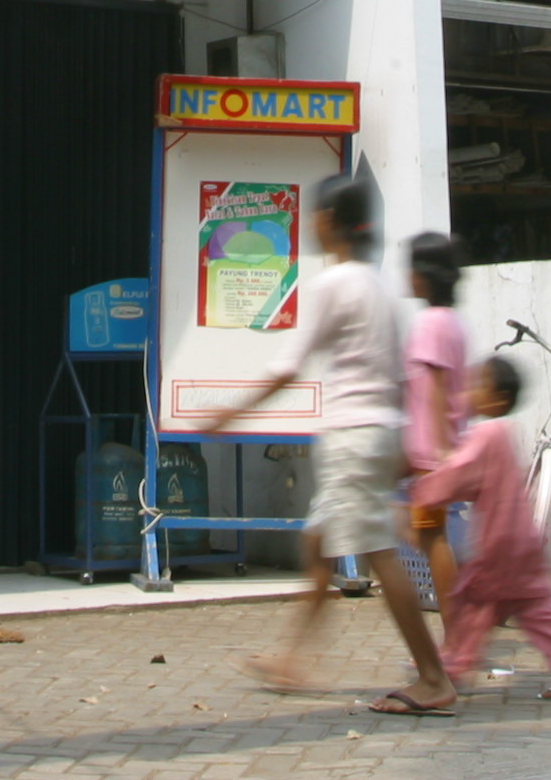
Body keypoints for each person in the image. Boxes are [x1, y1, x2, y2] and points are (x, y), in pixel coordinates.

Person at [186, 171, 455, 716]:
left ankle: (433, 678)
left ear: (331, 222)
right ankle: (289, 659)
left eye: (316, 215)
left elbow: (289, 366)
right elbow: (401, 380)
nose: (311, 223)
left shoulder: (335, 285)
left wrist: (230, 415)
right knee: (317, 546)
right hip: (373, 435)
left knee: (380, 553)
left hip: (353, 437)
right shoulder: (378, 286)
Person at [416, 354, 551, 703]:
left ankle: (451, 668)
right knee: (542, 611)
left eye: (476, 386)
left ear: (496, 398)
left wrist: (423, 490)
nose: (469, 392)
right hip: (524, 544)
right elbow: (478, 480)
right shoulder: (503, 434)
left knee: (471, 604)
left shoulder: (485, 434)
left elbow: (459, 474)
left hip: (496, 548)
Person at [401, 232, 468, 614]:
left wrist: (440, 452)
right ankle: (456, 638)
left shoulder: (430, 323)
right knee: (431, 540)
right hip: (436, 455)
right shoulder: (452, 322)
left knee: (433, 543)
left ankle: (456, 640)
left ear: (423, 276)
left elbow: (439, 387)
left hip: (431, 459)